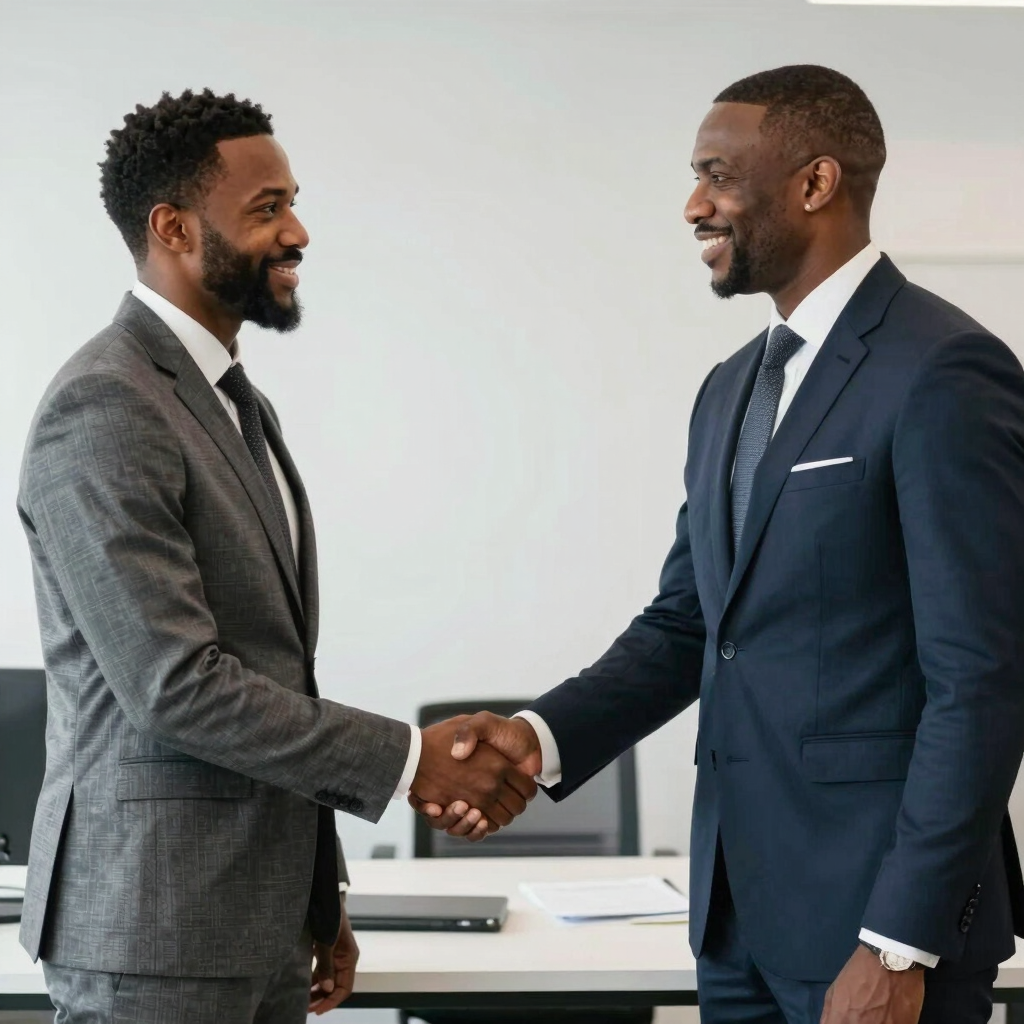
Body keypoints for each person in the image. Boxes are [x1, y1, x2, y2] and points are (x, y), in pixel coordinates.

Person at [422, 65, 1024, 1023]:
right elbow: (689, 624)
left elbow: (983, 680)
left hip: (874, 936)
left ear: (815, 184)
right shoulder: (731, 387)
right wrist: (534, 742)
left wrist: (899, 943)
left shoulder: (943, 370)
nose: (692, 204)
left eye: (716, 174)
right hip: (734, 922)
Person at [17, 88, 534, 1024]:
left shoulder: (232, 402)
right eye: (267, 209)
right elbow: (177, 685)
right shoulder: (105, 404)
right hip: (154, 931)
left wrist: (317, 897)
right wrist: (412, 759)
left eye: (293, 201)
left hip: (254, 925)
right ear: (173, 227)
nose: (297, 231)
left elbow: (277, 672)